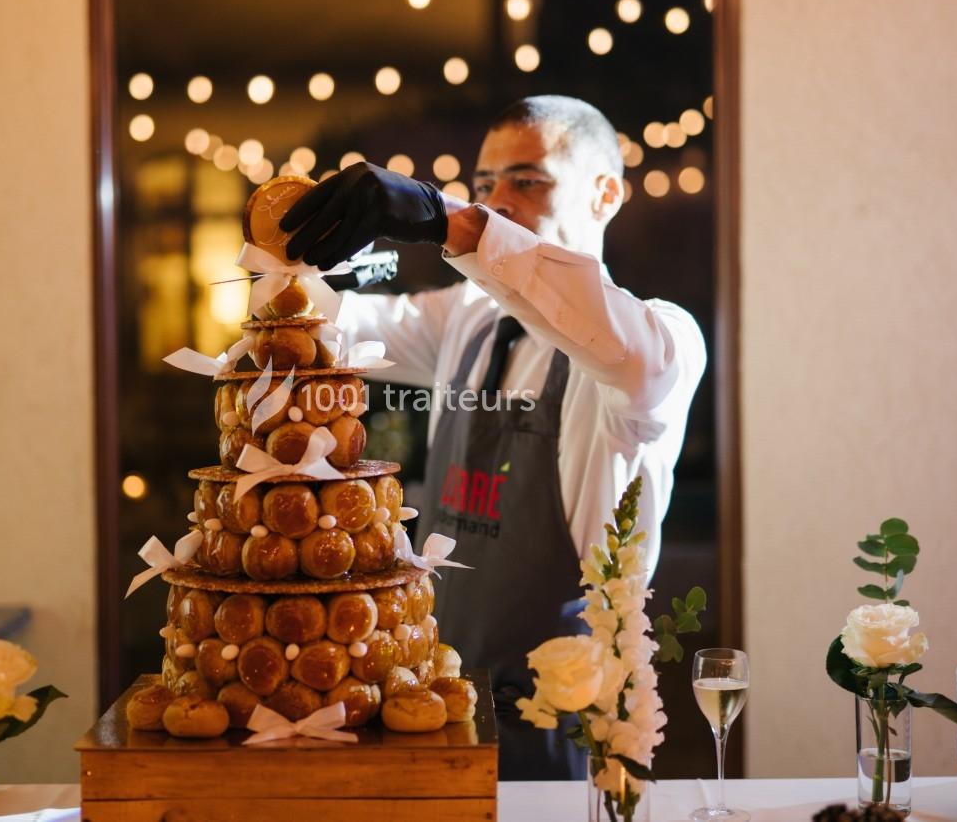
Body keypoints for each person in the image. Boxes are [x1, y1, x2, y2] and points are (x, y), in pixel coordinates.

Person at [280, 95, 707, 779]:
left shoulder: (660, 341)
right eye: (484, 187)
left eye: (527, 181)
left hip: (567, 728)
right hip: (438, 706)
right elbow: (329, 322)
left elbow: (605, 332)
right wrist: (288, 247)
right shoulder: (469, 319)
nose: (500, 202)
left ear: (605, 194)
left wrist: (445, 216)